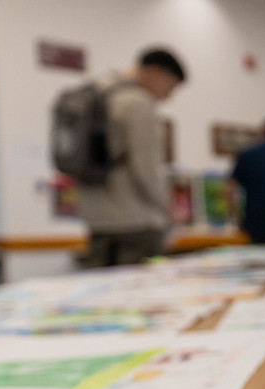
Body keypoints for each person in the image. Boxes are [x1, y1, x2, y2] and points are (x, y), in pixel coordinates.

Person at [77, 48, 187, 267]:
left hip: (97, 222)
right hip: (137, 224)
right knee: (142, 288)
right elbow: (147, 170)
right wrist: (168, 208)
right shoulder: (138, 103)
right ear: (154, 72)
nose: (167, 97)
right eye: (170, 87)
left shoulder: (96, 95)